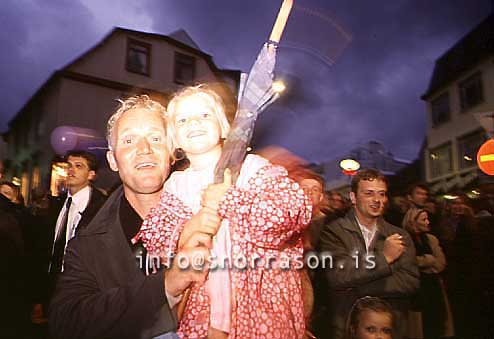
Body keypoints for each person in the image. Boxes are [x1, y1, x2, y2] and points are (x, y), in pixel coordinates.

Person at [137, 85, 312, 339]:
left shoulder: (254, 169)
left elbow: (293, 213)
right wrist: (188, 230)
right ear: (173, 137)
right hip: (200, 308)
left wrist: (231, 200)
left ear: (224, 126)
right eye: (183, 119)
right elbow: (156, 237)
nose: (194, 122)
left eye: (204, 115)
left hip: (257, 305)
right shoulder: (176, 185)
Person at [49, 95, 219, 339]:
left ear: (172, 153)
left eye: (156, 138)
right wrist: (165, 286)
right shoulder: (86, 244)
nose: (144, 149)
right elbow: (65, 323)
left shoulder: (217, 215)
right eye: (129, 140)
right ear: (112, 160)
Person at [319, 168, 419, 339]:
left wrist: (357, 286)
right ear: (353, 197)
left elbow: (410, 282)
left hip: (391, 329)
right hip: (347, 327)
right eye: (369, 193)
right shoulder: (334, 231)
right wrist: (385, 258)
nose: (377, 200)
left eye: (382, 194)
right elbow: (338, 275)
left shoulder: (399, 235)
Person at [402, 208, 453, 339]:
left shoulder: (431, 239)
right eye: (423, 219)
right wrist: (428, 260)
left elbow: (441, 262)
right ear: (413, 222)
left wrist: (424, 264)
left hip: (434, 287)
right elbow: (408, 262)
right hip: (417, 290)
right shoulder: (404, 240)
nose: (428, 222)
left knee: (437, 322)